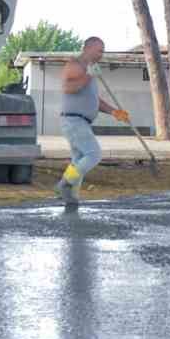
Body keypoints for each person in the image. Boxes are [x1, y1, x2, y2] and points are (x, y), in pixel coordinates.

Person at [55, 36, 130, 209]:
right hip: (74, 120)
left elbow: (95, 100)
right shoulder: (75, 65)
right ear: (87, 48)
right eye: (99, 50)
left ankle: (71, 198)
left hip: (81, 121)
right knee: (93, 154)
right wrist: (88, 75)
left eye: (103, 51)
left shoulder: (90, 70)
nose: (101, 54)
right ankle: (64, 184)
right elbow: (68, 88)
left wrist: (114, 112)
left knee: (78, 160)